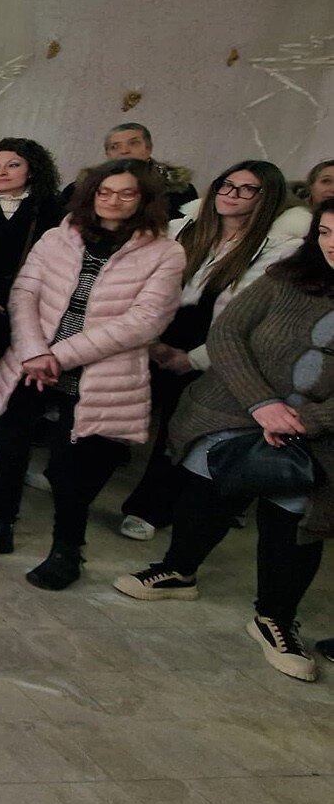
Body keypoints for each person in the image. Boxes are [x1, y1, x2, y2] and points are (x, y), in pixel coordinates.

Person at [113, 199, 334, 682]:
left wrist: (306, 420)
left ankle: (275, 618)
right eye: (326, 231)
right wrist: (263, 405)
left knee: (295, 511)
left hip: (317, 430)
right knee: (207, 482)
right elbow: (229, 335)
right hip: (235, 405)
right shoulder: (286, 277)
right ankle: (179, 570)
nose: (333, 243)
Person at [0, 160, 183, 588]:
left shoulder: (164, 251)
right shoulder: (60, 235)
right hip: (31, 360)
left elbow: (146, 320)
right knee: (10, 449)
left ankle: (67, 551)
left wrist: (59, 356)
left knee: (71, 466)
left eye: (125, 193)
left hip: (98, 371)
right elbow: (25, 291)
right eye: (104, 192)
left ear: (144, 199)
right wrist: (34, 351)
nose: (113, 201)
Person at [118, 161, 296, 541]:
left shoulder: (276, 251)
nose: (231, 194)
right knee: (116, 408)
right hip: (155, 334)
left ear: (267, 199)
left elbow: (246, 320)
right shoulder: (186, 229)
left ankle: (151, 509)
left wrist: (194, 359)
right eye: (226, 185)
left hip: (213, 347)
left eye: (247, 189)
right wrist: (148, 339)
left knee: (177, 431)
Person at [0, 137, 63, 490]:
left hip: (30, 313)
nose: (2, 172)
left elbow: (59, 266)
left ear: (32, 168)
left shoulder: (50, 210)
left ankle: (9, 473)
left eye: (13, 164)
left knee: (19, 397)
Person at [62, 122, 195, 218]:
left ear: (149, 148)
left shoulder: (178, 189)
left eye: (133, 143)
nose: (124, 151)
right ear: (108, 154)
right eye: (115, 147)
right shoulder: (81, 189)